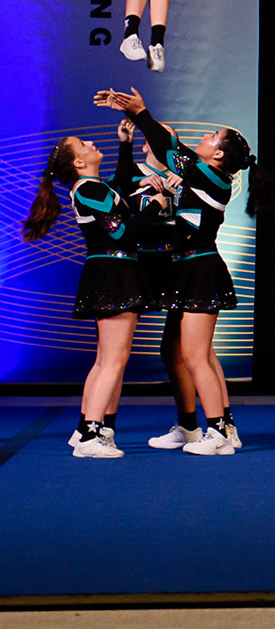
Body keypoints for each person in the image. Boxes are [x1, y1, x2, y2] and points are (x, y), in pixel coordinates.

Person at [96, 87, 250, 456]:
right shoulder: (198, 175)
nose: (205, 136)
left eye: (212, 136)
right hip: (184, 270)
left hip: (200, 269)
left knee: (197, 355)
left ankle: (220, 431)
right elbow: (167, 158)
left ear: (218, 154)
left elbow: (170, 150)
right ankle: (190, 427)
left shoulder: (211, 176)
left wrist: (140, 113)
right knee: (173, 351)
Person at [21, 119, 158, 458]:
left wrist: (125, 143)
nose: (92, 144)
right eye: (84, 144)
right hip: (113, 274)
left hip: (112, 271)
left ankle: (89, 428)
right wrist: (157, 203)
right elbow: (121, 233)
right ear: (79, 162)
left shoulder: (96, 187)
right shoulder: (88, 190)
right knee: (114, 360)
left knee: (107, 360)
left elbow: (121, 182)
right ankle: (90, 437)